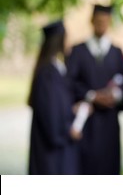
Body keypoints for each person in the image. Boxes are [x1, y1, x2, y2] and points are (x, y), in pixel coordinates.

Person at [66, 4, 123, 174]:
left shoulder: (117, 52)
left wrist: (116, 95)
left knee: (108, 166)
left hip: (109, 121)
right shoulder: (78, 51)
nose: (101, 25)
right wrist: (91, 95)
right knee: (85, 167)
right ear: (92, 21)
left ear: (109, 22)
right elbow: (69, 82)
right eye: (98, 21)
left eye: (105, 21)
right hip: (86, 119)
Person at [28, 20, 81, 174]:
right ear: (59, 41)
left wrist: (73, 110)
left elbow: (58, 105)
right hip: (52, 152)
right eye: (67, 38)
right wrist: (68, 132)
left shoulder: (56, 69)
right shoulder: (48, 74)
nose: (69, 42)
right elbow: (50, 114)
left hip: (57, 148)